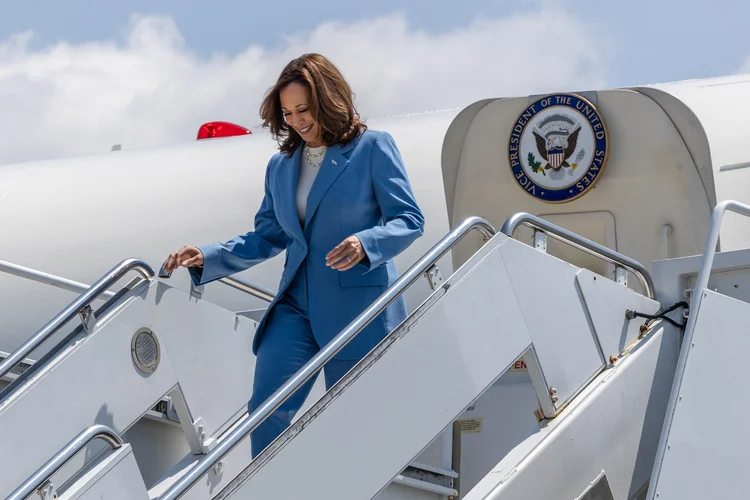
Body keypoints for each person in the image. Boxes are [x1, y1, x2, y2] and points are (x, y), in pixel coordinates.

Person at [161, 53, 424, 457]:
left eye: (304, 109)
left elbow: (409, 218)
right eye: (288, 113)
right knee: (266, 411)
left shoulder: (372, 148)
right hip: (295, 306)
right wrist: (208, 256)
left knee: (354, 421)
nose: (298, 121)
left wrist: (366, 243)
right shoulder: (280, 166)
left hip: (358, 305)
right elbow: (268, 236)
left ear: (329, 100)